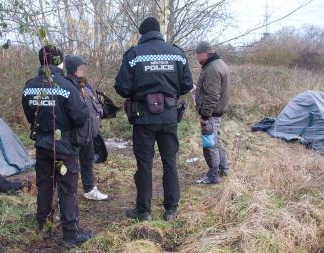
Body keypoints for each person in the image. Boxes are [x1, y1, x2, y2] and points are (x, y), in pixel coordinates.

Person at [114, 17, 193, 221]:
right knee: (170, 162)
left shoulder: (133, 55)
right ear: (159, 32)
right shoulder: (177, 54)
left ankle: (144, 211)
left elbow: (122, 88)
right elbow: (186, 85)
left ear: (142, 34)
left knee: (144, 164)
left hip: (143, 118)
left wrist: (139, 91)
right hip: (169, 116)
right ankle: (171, 210)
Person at [21, 45, 93, 248]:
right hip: (64, 147)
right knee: (67, 189)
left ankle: (43, 227)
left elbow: (30, 116)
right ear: (59, 62)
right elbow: (80, 117)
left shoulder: (30, 86)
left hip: (42, 144)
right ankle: (71, 235)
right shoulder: (67, 86)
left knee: (44, 186)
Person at [64, 55, 109, 201]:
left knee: (88, 161)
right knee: (69, 167)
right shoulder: (67, 86)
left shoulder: (86, 85)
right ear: (74, 70)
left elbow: (95, 104)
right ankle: (65, 194)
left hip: (88, 133)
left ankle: (89, 189)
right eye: (81, 67)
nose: (84, 70)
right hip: (73, 135)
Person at [193, 41, 231, 185]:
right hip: (217, 112)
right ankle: (223, 168)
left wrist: (205, 116)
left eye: (198, 54)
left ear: (205, 53)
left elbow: (212, 96)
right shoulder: (219, 64)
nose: (197, 57)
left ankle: (213, 176)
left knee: (210, 145)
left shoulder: (212, 69)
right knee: (217, 140)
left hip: (211, 114)